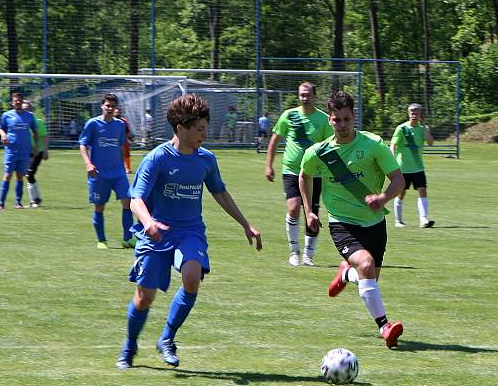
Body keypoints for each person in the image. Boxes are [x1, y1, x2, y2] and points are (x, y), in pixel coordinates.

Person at [115, 94, 262, 369]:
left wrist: (245, 223)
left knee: (192, 277)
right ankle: (130, 345)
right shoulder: (157, 158)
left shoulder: (205, 160)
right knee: (145, 297)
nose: (204, 135)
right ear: (181, 128)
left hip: (190, 231)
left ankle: (167, 338)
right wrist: (148, 222)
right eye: (200, 129)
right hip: (156, 232)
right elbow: (136, 199)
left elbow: (220, 193)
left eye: (206, 128)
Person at [299, 91, 406, 348]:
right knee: (366, 264)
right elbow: (304, 176)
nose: (343, 126)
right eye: (337, 120)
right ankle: (385, 327)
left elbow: (399, 179)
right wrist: (309, 211)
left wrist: (383, 197)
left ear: (354, 117)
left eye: (347, 119)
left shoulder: (373, 145)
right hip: (342, 223)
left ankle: (347, 275)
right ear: (330, 120)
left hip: (375, 223)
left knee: (369, 280)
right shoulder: (319, 152)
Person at [264, 82, 333, 266]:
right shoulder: (289, 115)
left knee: (312, 212)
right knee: (294, 207)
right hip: (291, 170)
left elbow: (330, 147)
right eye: (302, 95)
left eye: (308, 95)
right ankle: (294, 251)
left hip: (315, 173)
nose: (305, 98)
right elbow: (275, 140)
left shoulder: (323, 119)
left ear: (315, 96)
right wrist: (269, 165)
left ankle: (308, 256)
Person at [79, 93, 137, 250]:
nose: (110, 108)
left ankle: (127, 238)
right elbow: (83, 145)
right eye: (107, 105)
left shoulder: (119, 125)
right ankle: (102, 240)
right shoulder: (93, 124)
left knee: (128, 203)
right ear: (102, 106)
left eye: (113, 106)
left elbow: (120, 147)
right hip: (98, 174)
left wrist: (124, 166)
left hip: (118, 173)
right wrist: (88, 164)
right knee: (99, 207)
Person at [389, 103, 435, 228]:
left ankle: (423, 220)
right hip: (403, 168)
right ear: (408, 114)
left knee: (422, 191)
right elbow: (393, 144)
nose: (414, 115)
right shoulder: (402, 128)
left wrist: (424, 125)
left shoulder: (422, 129)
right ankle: (398, 220)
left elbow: (430, 143)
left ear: (420, 114)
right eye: (412, 113)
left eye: (416, 113)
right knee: (401, 193)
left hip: (418, 168)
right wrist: (391, 157)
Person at [0, 92, 38, 210]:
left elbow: (35, 132)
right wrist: (3, 135)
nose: (18, 102)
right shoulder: (6, 115)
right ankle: (1, 203)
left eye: (19, 100)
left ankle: (18, 203)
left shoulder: (29, 116)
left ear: (22, 101)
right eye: (16, 100)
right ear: (12, 102)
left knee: (20, 176)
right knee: (8, 175)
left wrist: (36, 147)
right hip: (11, 150)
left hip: (24, 151)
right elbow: (0, 128)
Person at [22, 100, 48, 208]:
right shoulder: (22, 123)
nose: (25, 111)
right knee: (26, 175)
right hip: (27, 152)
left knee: (29, 174)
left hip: (38, 151)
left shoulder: (37, 122)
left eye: (27, 109)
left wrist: (46, 150)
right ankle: (35, 199)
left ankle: (35, 200)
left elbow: (45, 137)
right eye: (24, 109)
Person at [113, 106, 135, 174]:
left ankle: (127, 168)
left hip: (123, 140)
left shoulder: (123, 121)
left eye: (119, 112)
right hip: (113, 140)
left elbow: (127, 131)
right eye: (116, 112)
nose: (118, 113)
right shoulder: (110, 120)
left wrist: (130, 138)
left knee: (126, 154)